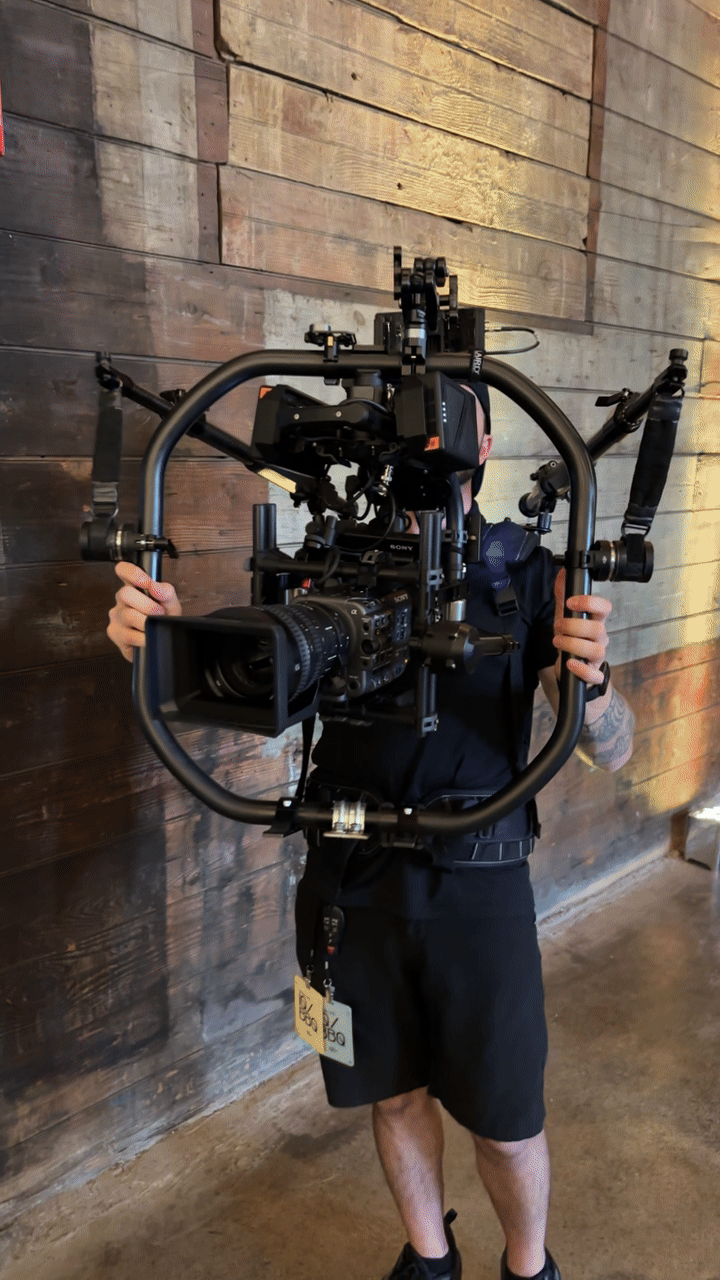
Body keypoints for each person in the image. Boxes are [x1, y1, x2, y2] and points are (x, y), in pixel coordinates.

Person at [107, 383, 635, 1280]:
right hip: (348, 880)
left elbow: (613, 755)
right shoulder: (326, 567)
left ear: (486, 434)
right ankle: (429, 1260)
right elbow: (240, 692)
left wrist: (595, 684)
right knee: (391, 1098)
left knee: (507, 1126)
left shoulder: (525, 574)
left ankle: (528, 1266)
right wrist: (152, 643)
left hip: (479, 884)